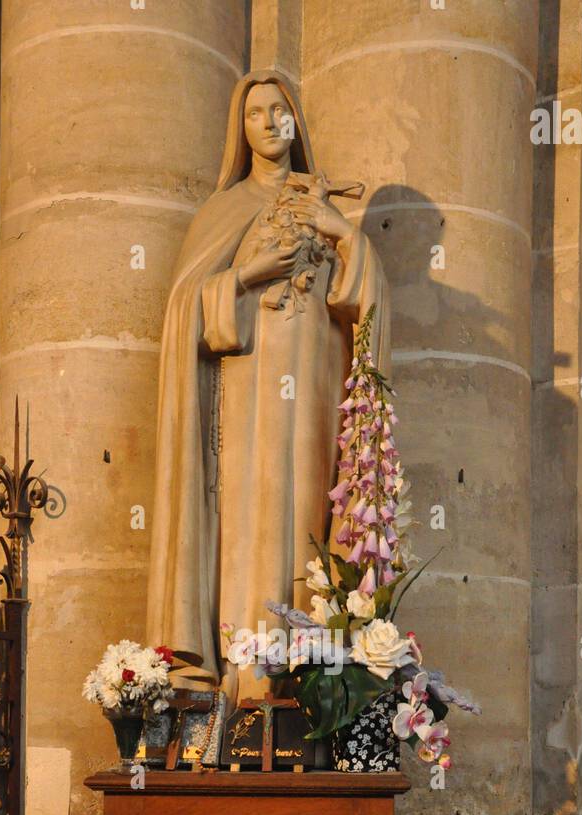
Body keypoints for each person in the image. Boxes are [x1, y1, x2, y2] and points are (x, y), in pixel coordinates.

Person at [146, 69, 389, 701]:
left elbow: (363, 300)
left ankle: (308, 670)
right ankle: (243, 676)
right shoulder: (222, 210)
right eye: (256, 113)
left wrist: (342, 232)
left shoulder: (323, 204)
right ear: (242, 128)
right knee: (248, 516)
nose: (271, 122)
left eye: (281, 110)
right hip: (246, 390)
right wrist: (248, 273)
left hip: (312, 391)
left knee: (309, 507)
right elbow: (186, 311)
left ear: (296, 121)